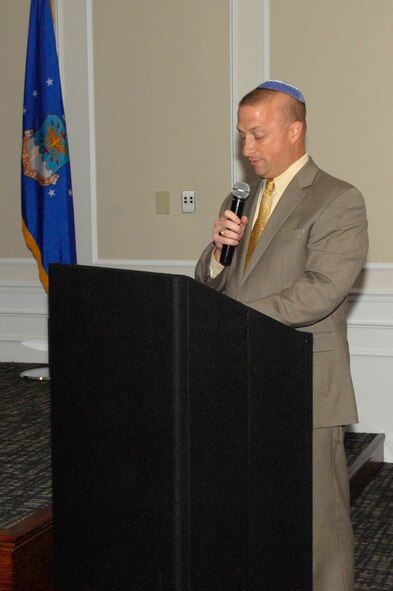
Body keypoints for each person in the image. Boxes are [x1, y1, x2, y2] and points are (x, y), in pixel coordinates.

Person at [195, 80, 368, 590]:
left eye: (257, 135)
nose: (246, 149)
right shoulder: (242, 198)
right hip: (244, 377)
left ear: (294, 130)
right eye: (242, 136)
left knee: (319, 524)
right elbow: (213, 281)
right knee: (253, 513)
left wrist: (229, 315)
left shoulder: (338, 199)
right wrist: (215, 252)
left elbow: (321, 291)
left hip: (306, 382)